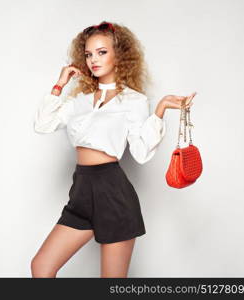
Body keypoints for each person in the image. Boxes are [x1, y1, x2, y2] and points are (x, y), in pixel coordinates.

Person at [31, 21, 196, 278]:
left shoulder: (134, 101)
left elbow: (141, 154)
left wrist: (160, 111)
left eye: (102, 52)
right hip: (81, 192)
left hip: (113, 193)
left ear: (119, 54)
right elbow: (42, 124)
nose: (93, 60)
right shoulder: (80, 101)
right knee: (41, 267)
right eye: (88, 54)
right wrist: (59, 85)